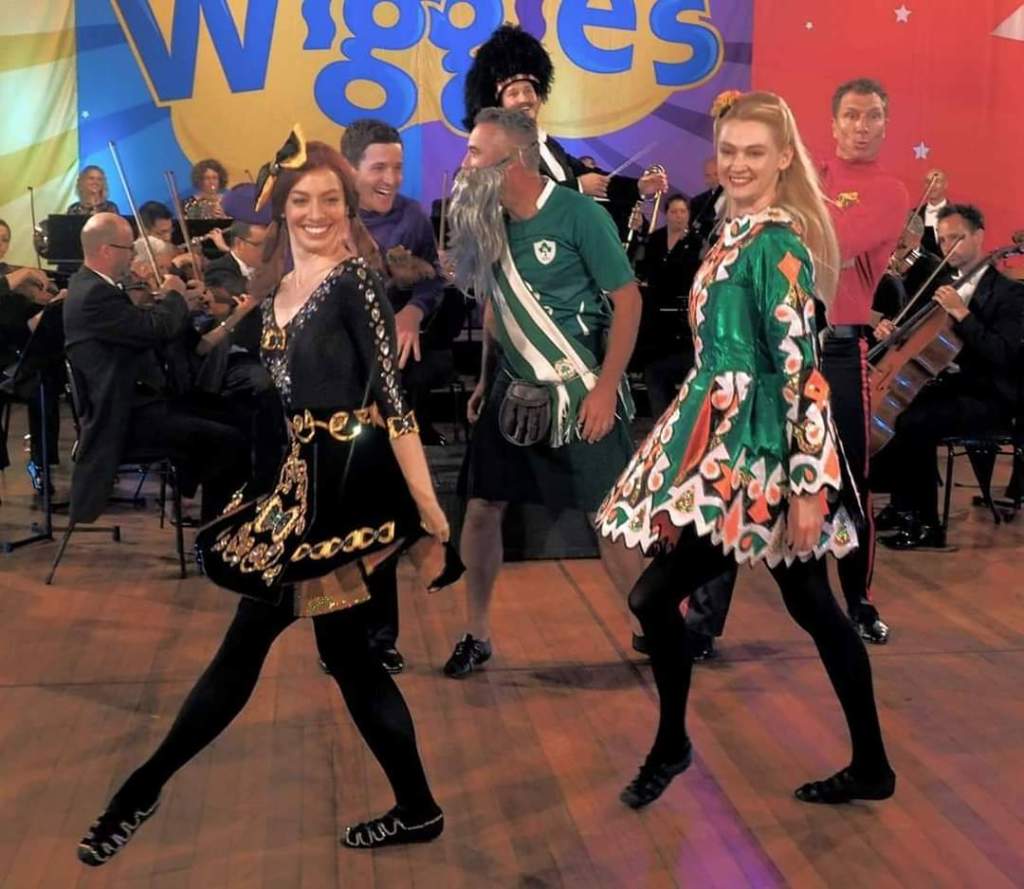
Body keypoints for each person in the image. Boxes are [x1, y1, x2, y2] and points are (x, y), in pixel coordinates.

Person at [76, 134, 462, 867]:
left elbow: (393, 403)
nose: (316, 213)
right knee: (347, 661)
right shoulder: (282, 289)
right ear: (281, 208)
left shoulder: (355, 282)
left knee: (249, 652)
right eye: (301, 200)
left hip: (341, 496)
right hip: (296, 490)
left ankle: (139, 792)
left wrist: (430, 514)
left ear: (347, 207)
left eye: (330, 200)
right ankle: (418, 808)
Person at [597, 91, 894, 811]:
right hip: (725, 446)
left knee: (667, 597)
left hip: (762, 458)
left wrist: (808, 487)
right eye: (729, 151)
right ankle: (865, 765)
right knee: (809, 607)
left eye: (755, 152)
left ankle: (677, 744)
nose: (738, 164)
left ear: (784, 158)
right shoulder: (732, 233)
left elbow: (801, 372)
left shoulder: (778, 245)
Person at [683, 78, 905, 655]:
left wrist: (774, 221)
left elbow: (827, 241)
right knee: (730, 475)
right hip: (760, 351)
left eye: (872, 116)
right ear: (831, 123)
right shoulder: (806, 175)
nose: (861, 126)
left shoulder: (888, 190)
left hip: (836, 349)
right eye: (851, 115)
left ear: (885, 124)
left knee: (847, 482)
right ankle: (699, 623)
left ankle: (858, 601)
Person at [443, 107, 644, 677]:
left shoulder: (579, 215)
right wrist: (486, 378)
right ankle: (476, 633)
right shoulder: (489, 222)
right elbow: (496, 308)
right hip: (512, 388)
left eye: (475, 154)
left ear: (512, 162)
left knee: (609, 520)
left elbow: (628, 301)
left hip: (580, 389)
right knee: (481, 509)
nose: (465, 164)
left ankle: (652, 628)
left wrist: (607, 389)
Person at [340, 118, 448, 673]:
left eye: (398, 167)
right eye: (379, 167)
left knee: (378, 501)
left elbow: (433, 282)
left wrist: (414, 310)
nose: (391, 178)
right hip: (334, 383)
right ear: (350, 169)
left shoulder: (412, 216)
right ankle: (337, 635)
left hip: (385, 385)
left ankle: (379, 638)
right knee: (338, 513)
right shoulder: (328, 215)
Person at [873, 204, 1024, 548]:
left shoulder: (1009, 293)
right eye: (942, 240)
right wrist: (893, 332)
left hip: (991, 396)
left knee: (915, 421)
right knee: (896, 410)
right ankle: (902, 507)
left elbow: (1004, 355)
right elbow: (918, 337)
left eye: (957, 238)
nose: (947, 247)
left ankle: (927, 526)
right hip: (953, 386)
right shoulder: (941, 283)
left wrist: (962, 313)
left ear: (979, 236)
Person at [462, 25, 667, 207]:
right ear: (499, 103)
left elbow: (590, 177)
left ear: (540, 96)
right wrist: (578, 187)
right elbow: (518, 198)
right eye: (513, 94)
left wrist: (639, 187)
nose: (524, 99)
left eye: (529, 90)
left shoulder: (547, 144)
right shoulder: (496, 151)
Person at [634, 194, 703, 419]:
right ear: (667, 214)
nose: (679, 216)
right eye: (674, 211)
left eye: (683, 211)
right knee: (654, 374)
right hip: (655, 319)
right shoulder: (655, 239)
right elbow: (643, 268)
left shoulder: (696, 242)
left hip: (683, 320)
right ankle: (659, 423)